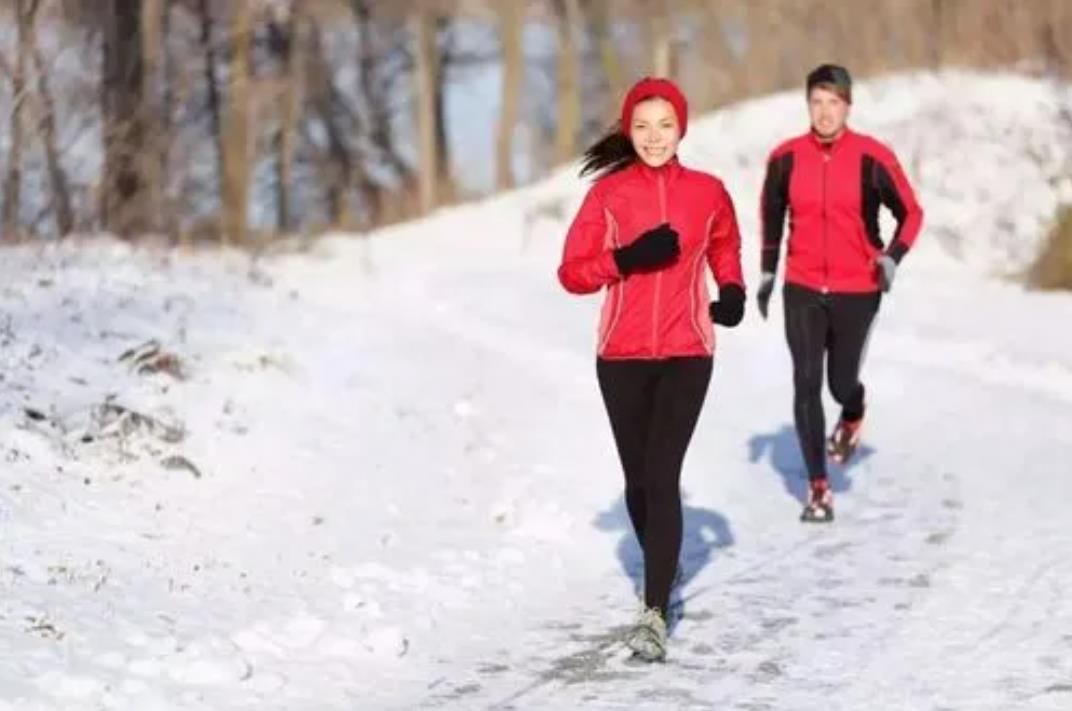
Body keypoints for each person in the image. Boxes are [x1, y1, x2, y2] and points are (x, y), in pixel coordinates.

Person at [557, 77, 745, 662]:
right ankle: (663, 560)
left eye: (665, 125)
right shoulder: (609, 196)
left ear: (681, 128)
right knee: (638, 482)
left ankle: (655, 609)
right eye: (642, 126)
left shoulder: (708, 192)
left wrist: (732, 290)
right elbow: (572, 272)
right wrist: (628, 258)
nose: (654, 136)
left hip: (689, 351)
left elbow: (724, 246)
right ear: (628, 131)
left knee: (662, 474)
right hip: (621, 357)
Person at [756, 64, 923, 523]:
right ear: (807, 105)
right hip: (803, 286)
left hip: (857, 288)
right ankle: (819, 487)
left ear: (848, 105)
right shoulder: (786, 158)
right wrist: (769, 273)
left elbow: (911, 213)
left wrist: (892, 257)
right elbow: (771, 217)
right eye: (816, 102)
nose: (825, 112)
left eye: (833, 102)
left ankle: (852, 411)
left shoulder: (873, 157)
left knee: (839, 382)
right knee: (806, 381)